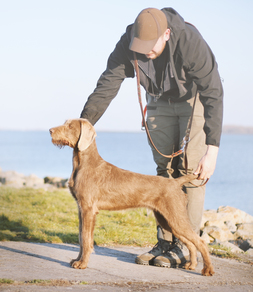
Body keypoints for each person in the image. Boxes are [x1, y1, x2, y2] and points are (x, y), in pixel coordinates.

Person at [80, 7, 223, 268]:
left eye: (151, 45)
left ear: (166, 34)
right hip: (159, 99)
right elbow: (107, 84)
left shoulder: (190, 42)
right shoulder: (128, 42)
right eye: (140, 45)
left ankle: (184, 244)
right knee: (164, 170)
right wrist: (83, 126)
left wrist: (212, 149)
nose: (145, 51)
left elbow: (213, 91)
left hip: (194, 99)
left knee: (190, 170)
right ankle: (166, 243)